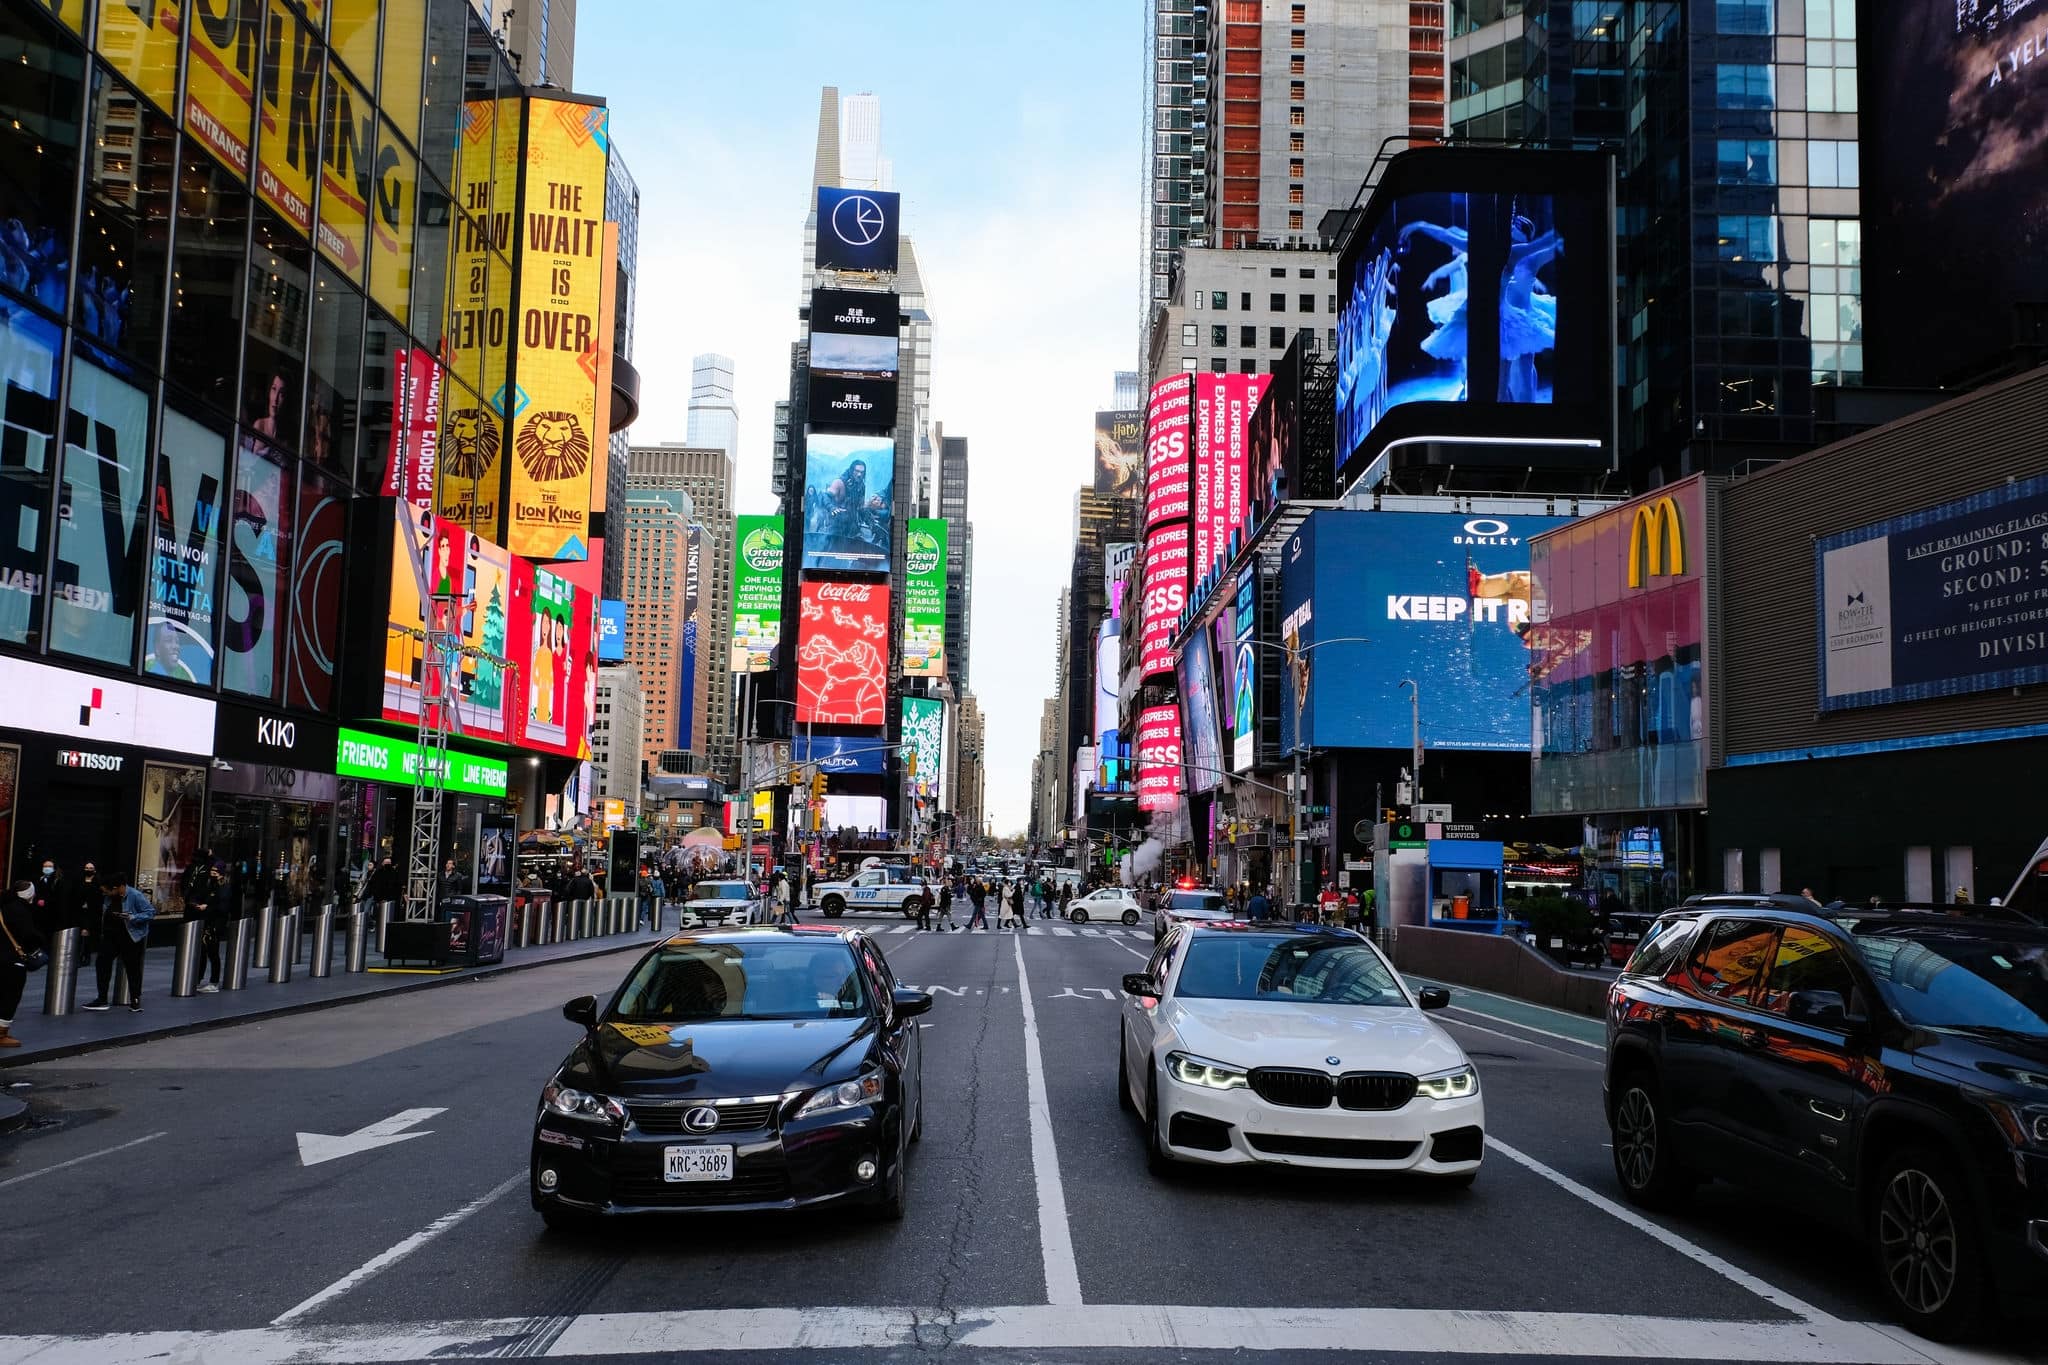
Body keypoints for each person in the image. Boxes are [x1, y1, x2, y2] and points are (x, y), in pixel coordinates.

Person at [82, 873, 152, 1013]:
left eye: (107, 890)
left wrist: (132, 917)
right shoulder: (109, 897)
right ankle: (102, 999)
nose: (105, 893)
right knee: (102, 963)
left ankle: (135, 1000)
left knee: (132, 968)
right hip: (110, 936)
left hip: (130, 937)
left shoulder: (135, 895)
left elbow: (150, 912)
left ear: (117, 888)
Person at [0, 881, 45, 1048]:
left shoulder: (4, 907)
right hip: (12, 960)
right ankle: (1, 1032)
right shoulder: (21, 911)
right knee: (11, 995)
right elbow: (29, 935)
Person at [182, 850, 228, 994]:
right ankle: (198, 979)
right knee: (203, 951)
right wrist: (195, 903)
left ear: (220, 872)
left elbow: (223, 906)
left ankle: (214, 982)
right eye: (212, 870)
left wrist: (207, 906)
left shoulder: (223, 887)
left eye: (215, 871)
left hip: (214, 924)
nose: (212, 872)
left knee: (213, 953)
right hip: (206, 921)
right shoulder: (210, 884)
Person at [28, 855, 65, 939]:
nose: (47, 868)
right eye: (45, 866)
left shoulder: (58, 881)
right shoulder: (38, 879)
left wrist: (46, 901)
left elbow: (59, 898)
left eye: (49, 866)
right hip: (38, 913)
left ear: (54, 868)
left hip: (51, 914)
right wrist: (37, 900)